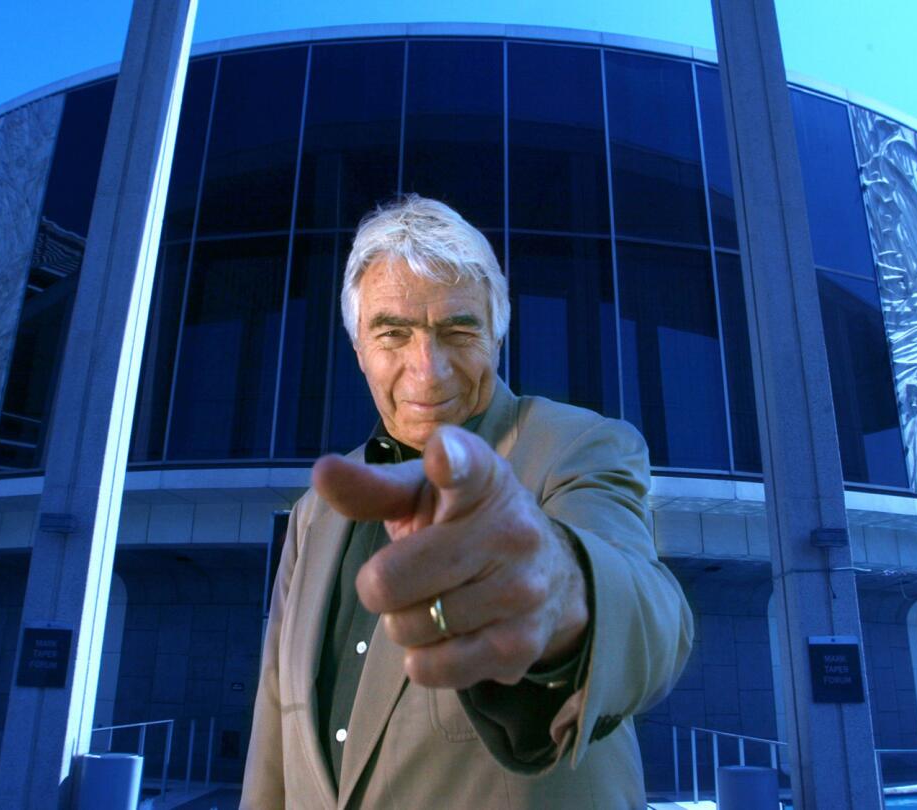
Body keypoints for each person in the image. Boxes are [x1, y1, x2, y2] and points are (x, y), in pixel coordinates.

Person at [242, 195, 693, 809]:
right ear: (357, 349)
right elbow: (275, 735)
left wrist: (562, 591)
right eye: (392, 334)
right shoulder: (313, 512)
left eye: (457, 331)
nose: (427, 372)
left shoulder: (580, 446)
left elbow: (653, 616)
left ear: (497, 335)